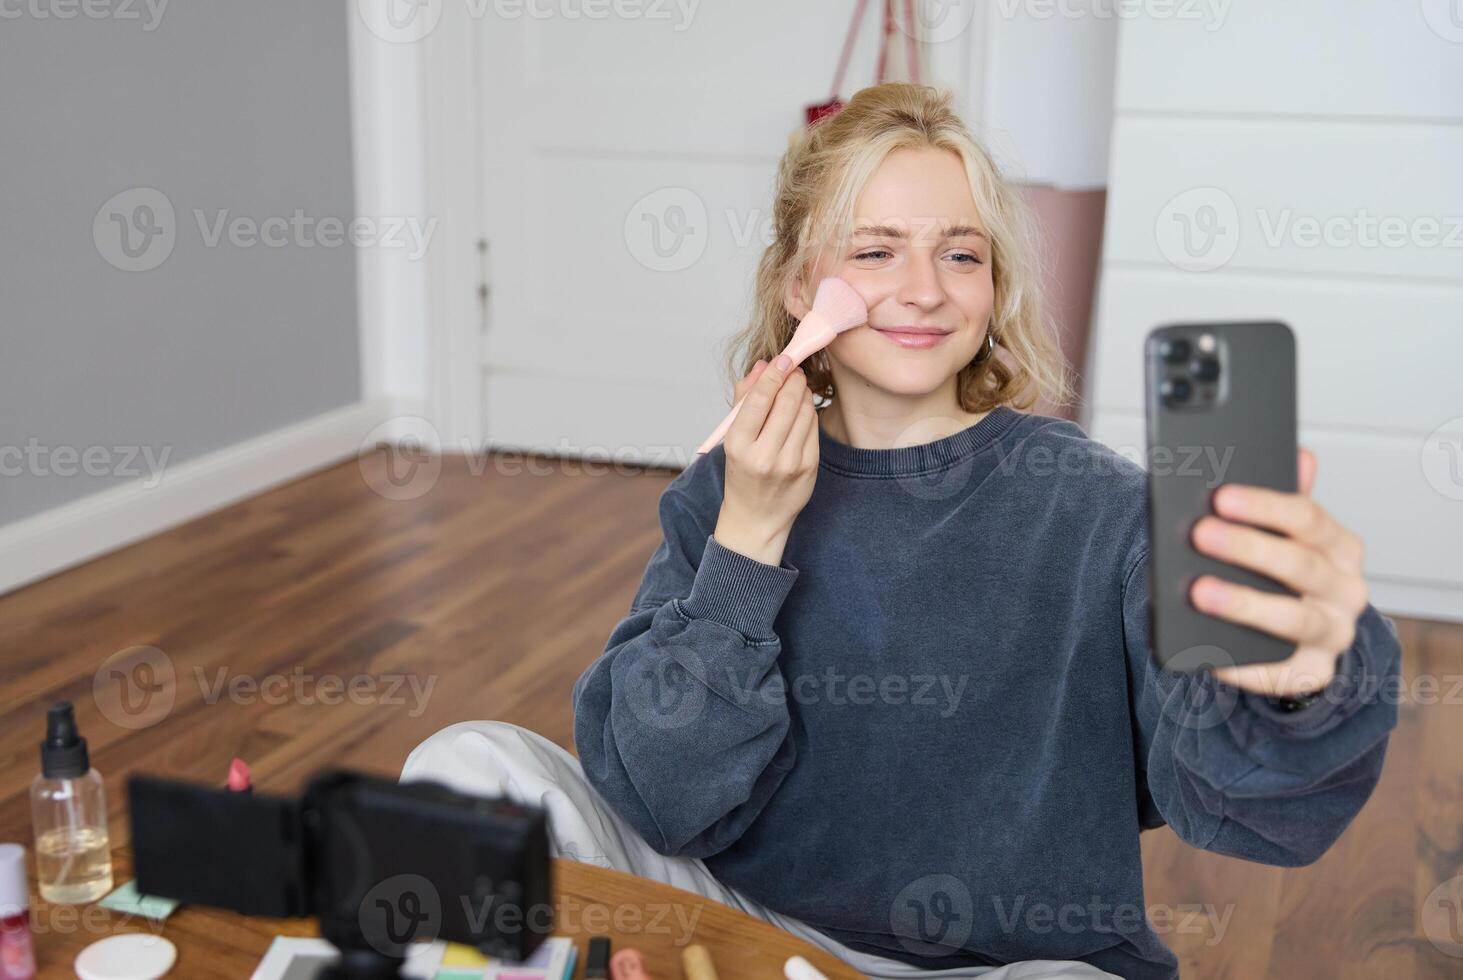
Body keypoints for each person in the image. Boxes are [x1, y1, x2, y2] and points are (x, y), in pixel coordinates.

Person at [402, 83, 1401, 979]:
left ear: (994, 284)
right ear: (800, 288)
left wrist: (1296, 683)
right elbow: (664, 801)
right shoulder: (727, 489)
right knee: (467, 763)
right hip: (750, 931)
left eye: (959, 253)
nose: (924, 289)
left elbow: (1246, 809)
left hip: (1015, 963)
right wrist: (748, 540)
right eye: (875, 250)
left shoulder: (1101, 507)